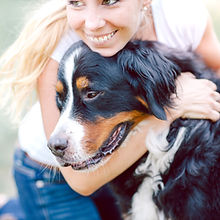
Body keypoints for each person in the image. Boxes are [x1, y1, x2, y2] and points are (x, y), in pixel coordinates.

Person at [0, 0, 220, 219]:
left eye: (110, 1)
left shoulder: (181, 16)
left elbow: (215, 73)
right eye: (76, 2)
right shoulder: (58, 45)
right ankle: (13, 212)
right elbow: (82, 183)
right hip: (53, 177)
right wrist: (173, 107)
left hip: (125, 165)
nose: (93, 23)